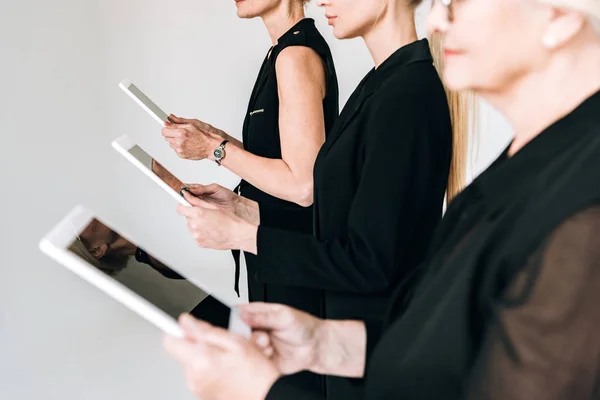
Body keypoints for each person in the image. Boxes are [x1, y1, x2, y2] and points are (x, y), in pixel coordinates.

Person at [163, 0, 600, 399]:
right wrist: (329, 344)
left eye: (457, 3)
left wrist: (262, 390)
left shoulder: (580, 206)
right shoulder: (529, 163)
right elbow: (452, 339)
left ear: (558, 18)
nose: (435, 20)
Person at [173, 0, 472, 398]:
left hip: (375, 363)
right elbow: (337, 220)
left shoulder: (407, 95)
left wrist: (245, 236)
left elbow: (368, 263)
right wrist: (246, 211)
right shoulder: (380, 85)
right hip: (351, 349)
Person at [161, 0, 339, 394]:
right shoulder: (282, 52)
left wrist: (213, 150)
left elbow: (304, 185)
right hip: (278, 257)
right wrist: (213, 139)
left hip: (293, 269)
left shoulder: (296, 56)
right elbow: (284, 160)